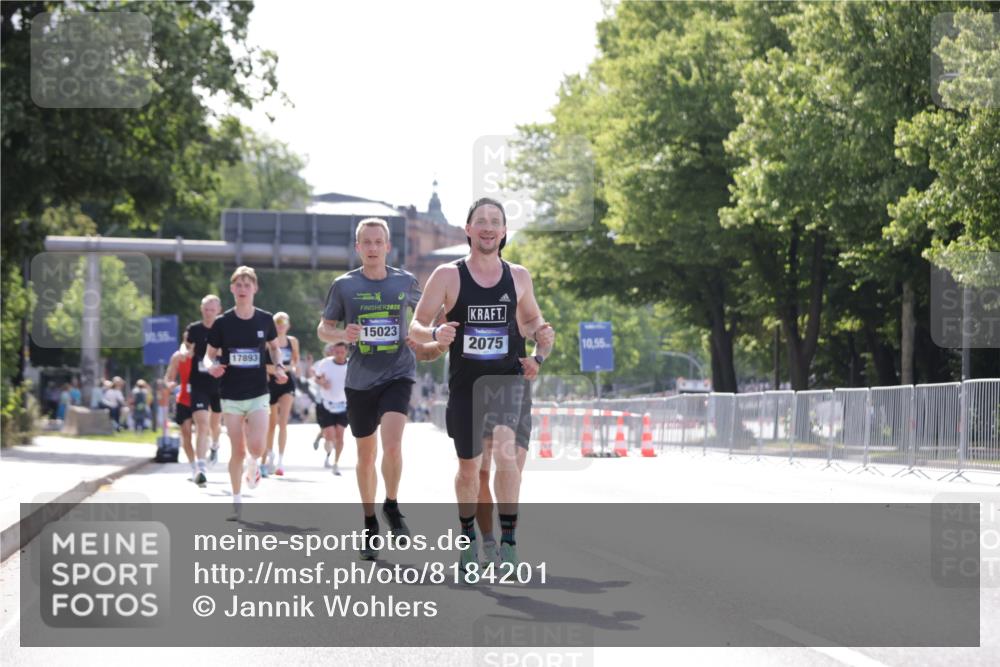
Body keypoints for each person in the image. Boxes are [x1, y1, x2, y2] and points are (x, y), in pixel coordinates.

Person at [409, 197, 554, 575]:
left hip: (506, 382)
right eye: (481, 221)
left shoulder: (518, 276)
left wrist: (541, 342)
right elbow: (416, 325)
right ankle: (467, 540)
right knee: (470, 470)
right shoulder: (447, 275)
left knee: (507, 453)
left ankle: (508, 543)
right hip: (465, 388)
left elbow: (535, 320)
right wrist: (436, 332)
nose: (488, 227)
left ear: (504, 231)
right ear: (468, 230)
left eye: (496, 221)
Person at [317, 217, 443, 560]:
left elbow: (425, 317)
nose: (372, 248)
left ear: (388, 247)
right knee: (366, 456)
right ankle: (370, 521)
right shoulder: (344, 285)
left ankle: (391, 504)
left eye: (378, 242)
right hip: (359, 381)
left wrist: (430, 334)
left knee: (392, 444)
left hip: (398, 373)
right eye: (366, 242)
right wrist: (344, 334)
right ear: (358, 248)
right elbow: (323, 329)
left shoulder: (405, 281)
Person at [203, 266, 287, 516]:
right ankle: (237, 498)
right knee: (237, 449)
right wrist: (212, 367)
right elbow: (208, 357)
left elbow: (274, 348)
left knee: (258, 446)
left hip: (258, 391)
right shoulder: (222, 323)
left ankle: (254, 464)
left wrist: (279, 365)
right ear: (232, 289)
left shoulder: (265, 319)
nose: (242, 289)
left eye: (246, 285)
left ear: (255, 289)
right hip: (230, 394)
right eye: (238, 285)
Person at [185, 295, 224, 469]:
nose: (209, 313)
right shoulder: (194, 329)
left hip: (220, 384)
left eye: (212, 310)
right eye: (206, 309)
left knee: (215, 424)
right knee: (202, 423)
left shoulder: (224, 329)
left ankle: (215, 445)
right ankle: (201, 466)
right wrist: (184, 353)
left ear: (219, 311)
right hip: (199, 383)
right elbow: (185, 346)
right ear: (202, 310)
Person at [262, 311, 300, 477]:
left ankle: (281, 461)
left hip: (286, 382)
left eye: (283, 322)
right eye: (277, 323)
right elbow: (262, 365)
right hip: (270, 383)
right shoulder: (267, 342)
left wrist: (290, 368)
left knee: (283, 423)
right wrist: (276, 370)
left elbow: (295, 360)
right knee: (271, 424)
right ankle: (269, 456)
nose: (280, 325)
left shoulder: (292, 341)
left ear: (288, 325)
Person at [312, 342, 349, 475]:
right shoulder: (325, 363)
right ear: (333, 352)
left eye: (342, 352)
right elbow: (316, 377)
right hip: (326, 404)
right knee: (330, 436)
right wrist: (322, 382)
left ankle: (336, 463)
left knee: (340, 436)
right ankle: (328, 450)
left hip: (344, 404)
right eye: (337, 352)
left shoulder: (351, 365)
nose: (339, 355)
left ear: (346, 352)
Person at [164, 338, 198, 483]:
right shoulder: (178, 356)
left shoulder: (203, 354)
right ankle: (194, 468)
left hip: (201, 398)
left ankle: (205, 453)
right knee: (186, 436)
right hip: (183, 399)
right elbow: (168, 376)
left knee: (204, 431)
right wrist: (169, 383)